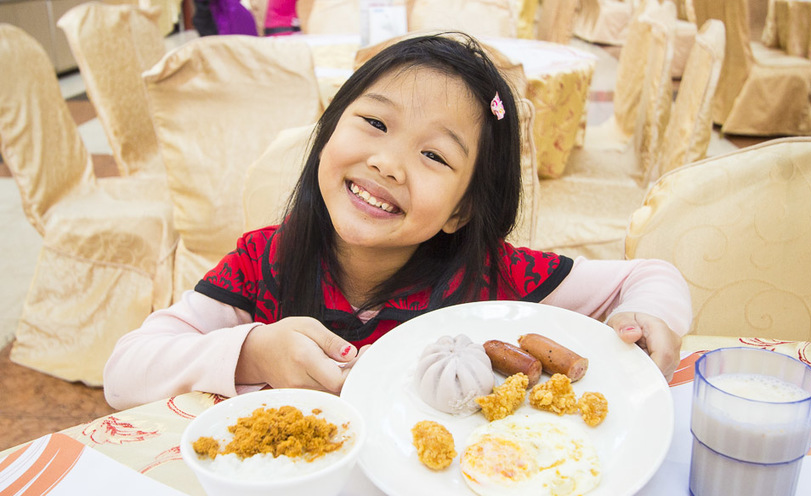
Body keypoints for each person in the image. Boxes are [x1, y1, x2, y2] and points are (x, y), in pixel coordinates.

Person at [103, 33, 692, 410]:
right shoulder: (264, 262)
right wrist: (254, 352)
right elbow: (125, 372)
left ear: (462, 209)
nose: (387, 162)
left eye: (435, 156)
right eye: (374, 124)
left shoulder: (495, 276)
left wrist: (649, 317)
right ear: (329, 129)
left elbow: (649, 276)